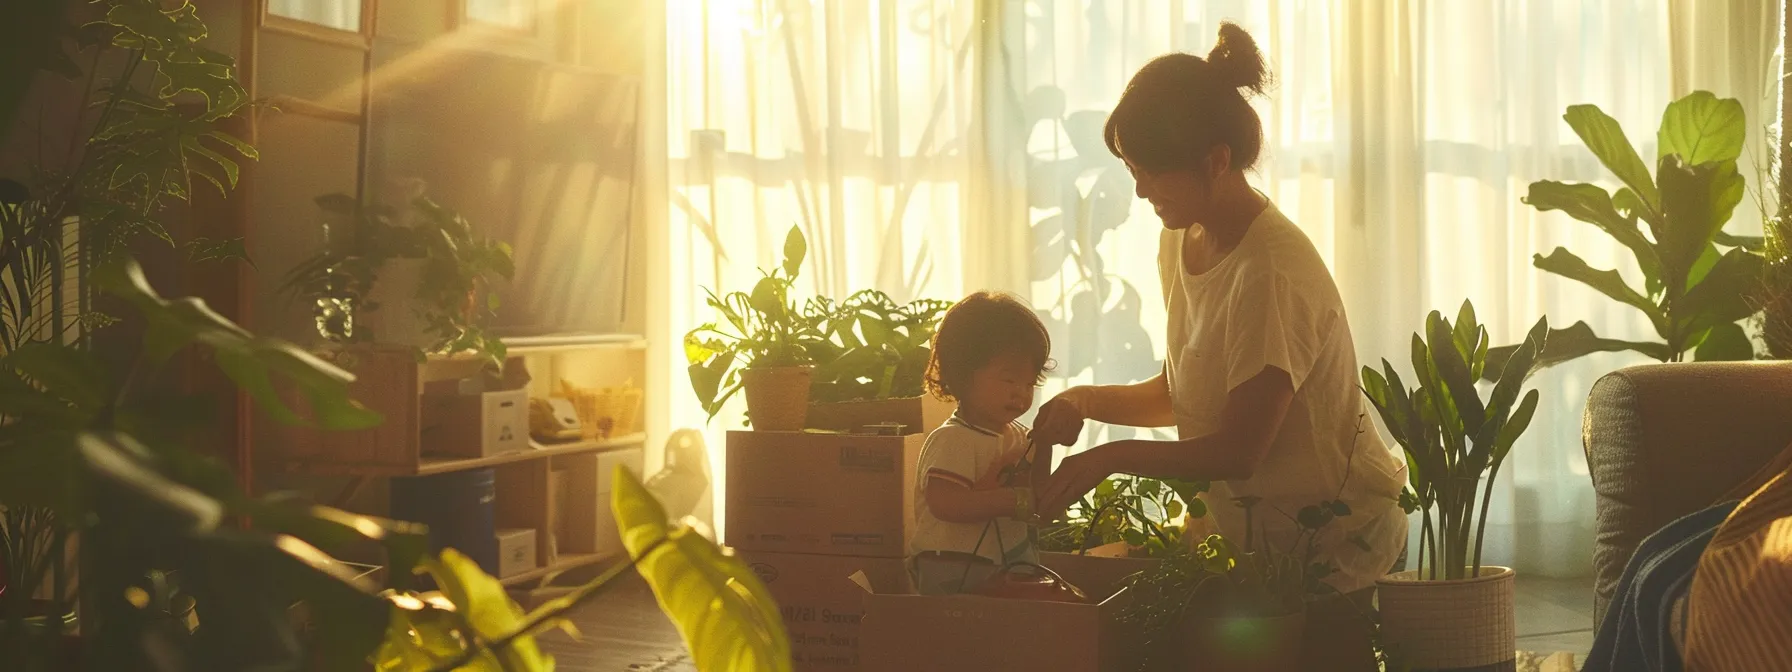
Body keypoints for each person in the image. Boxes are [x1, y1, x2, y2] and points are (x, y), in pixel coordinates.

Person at [1032, 23, 1408, 605]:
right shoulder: (1183, 236)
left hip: (1332, 550)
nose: (1140, 191)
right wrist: (1083, 401)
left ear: (1216, 161)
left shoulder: (1270, 270)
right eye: (1133, 171)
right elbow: (1186, 394)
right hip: (1257, 546)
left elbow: (1238, 449)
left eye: (1151, 172)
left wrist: (1111, 457)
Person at [907, 291, 1054, 595]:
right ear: (961, 374)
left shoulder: (1020, 435)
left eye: (1029, 383)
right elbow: (947, 504)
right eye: (1009, 380)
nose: (1021, 392)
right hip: (953, 566)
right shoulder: (953, 439)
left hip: (1006, 562)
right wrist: (1013, 501)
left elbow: (1037, 491)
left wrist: (1046, 445)